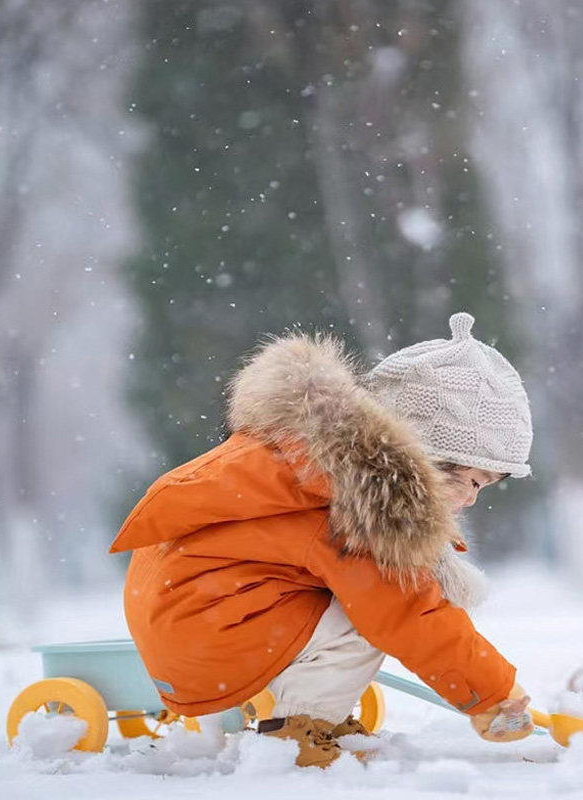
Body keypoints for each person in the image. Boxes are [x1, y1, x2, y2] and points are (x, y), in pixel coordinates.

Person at [110, 312, 535, 767]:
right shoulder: (353, 502)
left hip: (188, 620)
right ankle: (298, 730)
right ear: (429, 459)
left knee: (363, 600)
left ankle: (313, 716)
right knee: (372, 613)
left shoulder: (302, 458)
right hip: (210, 635)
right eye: (473, 481)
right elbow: (413, 614)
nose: (471, 500)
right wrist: (494, 695)